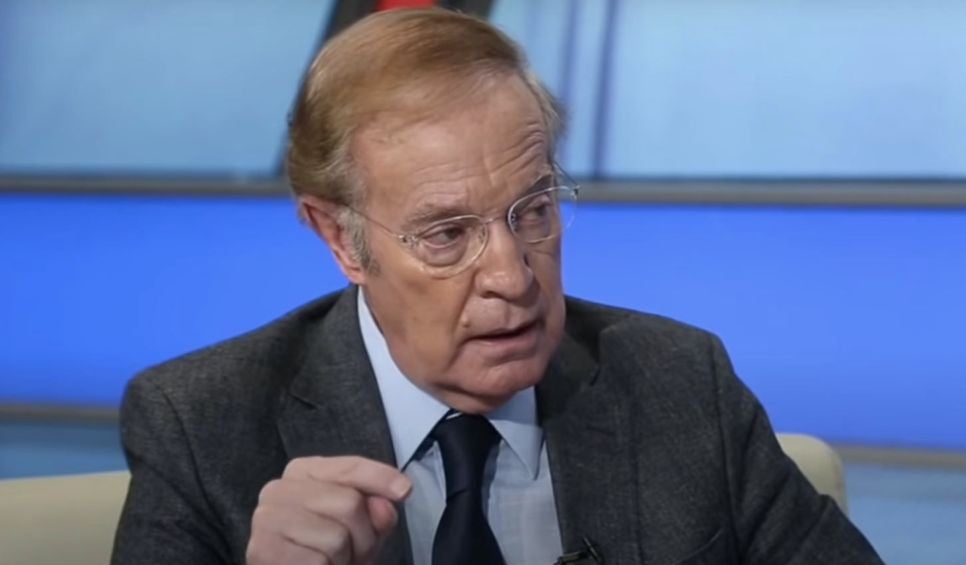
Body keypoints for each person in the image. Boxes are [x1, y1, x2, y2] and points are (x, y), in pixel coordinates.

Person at [112, 8, 883, 565]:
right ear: (341, 238)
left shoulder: (679, 381)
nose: (513, 276)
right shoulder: (201, 426)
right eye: (447, 235)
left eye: (534, 211)